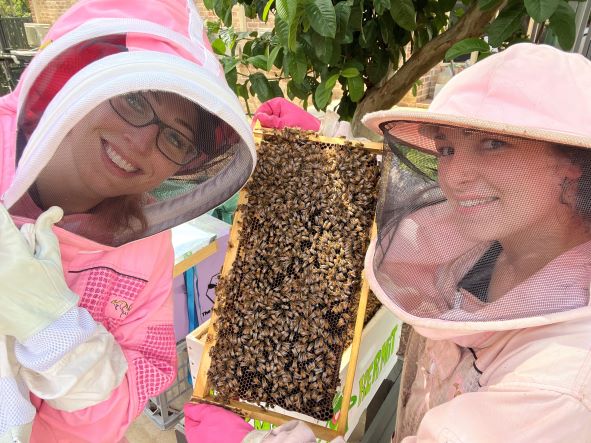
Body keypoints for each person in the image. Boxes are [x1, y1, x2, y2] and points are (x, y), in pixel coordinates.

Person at [185, 43, 591, 442]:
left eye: (493, 143)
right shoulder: (487, 241)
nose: (455, 176)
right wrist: (320, 155)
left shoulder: (559, 390)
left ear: (574, 160)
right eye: (446, 148)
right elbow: (393, 225)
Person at [0, 0, 256, 442]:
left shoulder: (146, 248)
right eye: (134, 98)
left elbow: (119, 408)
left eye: (174, 137)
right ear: (77, 77)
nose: (141, 143)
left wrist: (59, 340)